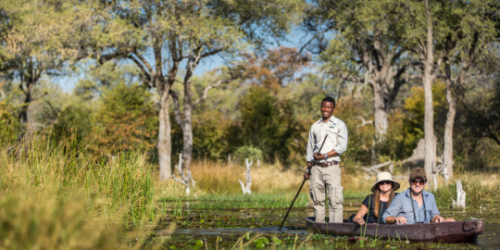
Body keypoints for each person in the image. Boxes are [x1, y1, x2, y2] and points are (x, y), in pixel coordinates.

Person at [303, 96, 348, 223]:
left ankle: (336, 230)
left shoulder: (340, 125)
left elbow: (342, 148)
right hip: (316, 168)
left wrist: (324, 156)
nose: (325, 109)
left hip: (331, 167)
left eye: (328, 107)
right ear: (320, 107)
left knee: (335, 200)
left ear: (333, 108)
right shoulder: (315, 126)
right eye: (323, 106)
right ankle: (319, 229)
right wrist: (308, 170)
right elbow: (310, 150)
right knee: (317, 200)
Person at [382, 167, 455, 224]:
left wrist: (438, 218)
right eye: (414, 181)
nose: (417, 184)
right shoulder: (400, 198)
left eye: (421, 182)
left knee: (451, 221)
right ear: (409, 182)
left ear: (425, 183)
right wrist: (396, 219)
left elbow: (434, 216)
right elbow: (385, 217)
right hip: (406, 234)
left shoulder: (430, 197)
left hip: (426, 233)